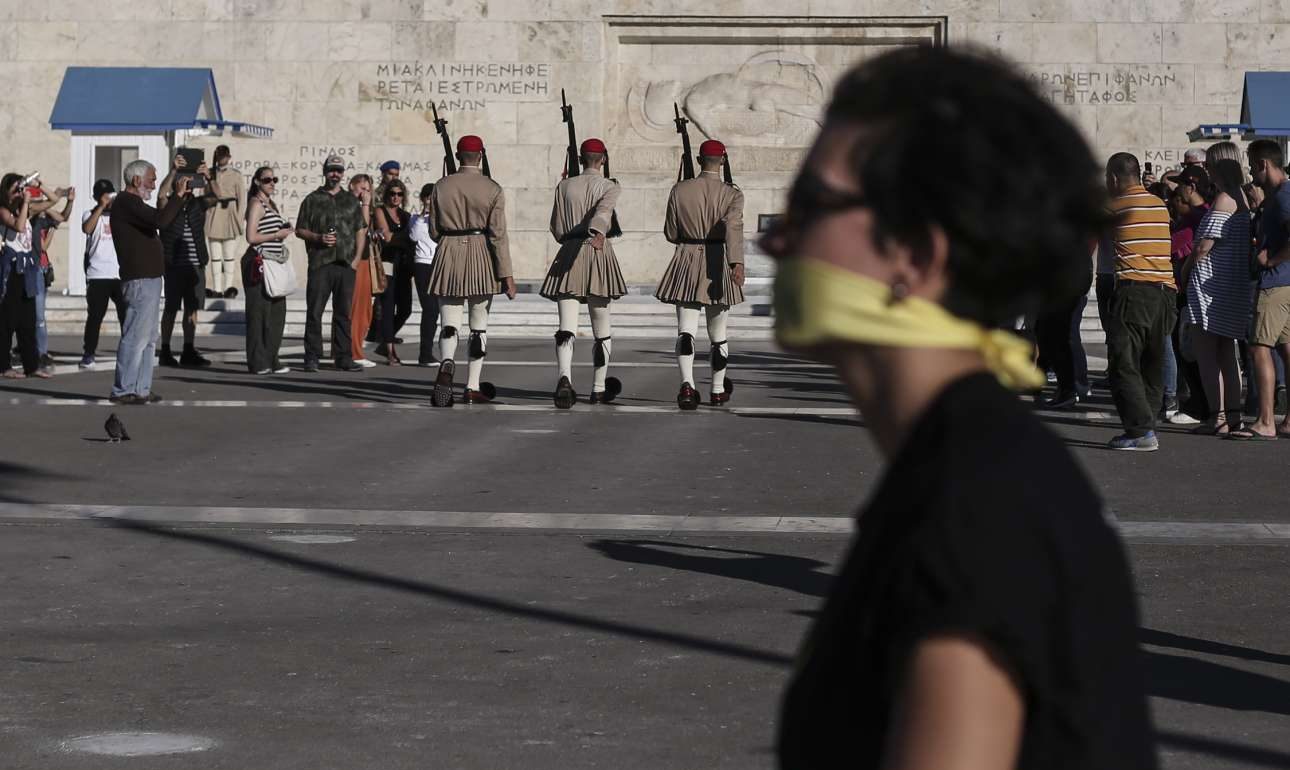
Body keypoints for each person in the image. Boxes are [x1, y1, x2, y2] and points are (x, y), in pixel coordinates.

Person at [764, 46, 1156, 770]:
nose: (775, 238)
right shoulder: (961, 466)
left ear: (913, 255)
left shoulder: (972, 510)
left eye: (809, 206)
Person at [655, 139, 746, 410]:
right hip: (717, 260)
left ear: (698, 161)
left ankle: (687, 386)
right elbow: (734, 227)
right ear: (723, 161)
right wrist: (736, 262)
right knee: (719, 335)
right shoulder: (733, 194)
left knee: (686, 331)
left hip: (686, 258)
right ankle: (717, 390)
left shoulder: (680, 189)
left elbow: (671, 232)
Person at [427, 135, 517, 406]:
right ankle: (472, 386)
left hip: (449, 252)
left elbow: (433, 231)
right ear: (481, 155)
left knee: (449, 323)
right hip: (480, 252)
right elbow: (498, 235)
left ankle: (446, 363)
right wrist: (507, 276)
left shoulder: (441, 186)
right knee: (478, 326)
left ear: (457, 156)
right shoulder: (493, 188)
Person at [541, 137, 628, 407]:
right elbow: (604, 211)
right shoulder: (609, 185)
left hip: (568, 251)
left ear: (580, 159)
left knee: (566, 326)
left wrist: (570, 240)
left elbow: (556, 227)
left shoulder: (564, 185)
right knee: (601, 327)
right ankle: (598, 388)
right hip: (597, 252)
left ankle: (564, 378)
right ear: (603, 159)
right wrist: (598, 231)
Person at [1104, 152, 1176, 451]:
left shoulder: (1115, 204)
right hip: (1166, 292)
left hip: (1135, 292)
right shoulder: (1159, 204)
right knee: (1152, 360)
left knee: (1122, 361)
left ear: (1114, 179)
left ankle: (1140, 431)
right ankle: (1147, 423)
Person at [108, 160, 187, 404]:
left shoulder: (133, 204)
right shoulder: (126, 202)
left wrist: (177, 198)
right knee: (135, 336)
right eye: (151, 179)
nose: (153, 185)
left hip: (150, 278)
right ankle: (123, 389)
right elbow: (160, 220)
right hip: (139, 279)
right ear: (136, 180)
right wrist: (177, 196)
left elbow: (157, 219)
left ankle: (141, 387)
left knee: (149, 337)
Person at [1183, 159, 1251, 436]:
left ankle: (1218, 416)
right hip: (1233, 284)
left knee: (1207, 354)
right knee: (1226, 353)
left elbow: (1202, 247)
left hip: (1211, 286)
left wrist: (1185, 271)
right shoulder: (1243, 200)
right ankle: (1233, 415)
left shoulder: (1224, 199)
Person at [1232, 139, 1290, 440]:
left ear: (1264, 164)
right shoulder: (1276, 197)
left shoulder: (1283, 196)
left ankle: (1266, 420)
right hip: (1284, 282)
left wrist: (1271, 259)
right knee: (1285, 347)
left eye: (1253, 166)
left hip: (1277, 282)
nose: (1252, 173)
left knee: (1258, 347)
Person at [295, 154, 366, 373]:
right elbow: (299, 229)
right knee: (315, 311)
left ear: (343, 174)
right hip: (321, 263)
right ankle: (312, 356)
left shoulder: (351, 201)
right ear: (324, 171)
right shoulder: (312, 199)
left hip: (345, 264)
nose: (335, 174)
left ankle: (343, 357)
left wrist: (356, 260)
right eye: (331, 169)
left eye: (338, 170)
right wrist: (317, 238)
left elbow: (360, 230)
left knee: (343, 313)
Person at [157, 154, 220, 368]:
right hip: (173, 264)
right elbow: (161, 194)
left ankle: (188, 349)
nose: (189, 186)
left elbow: (217, 197)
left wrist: (208, 177)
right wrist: (173, 171)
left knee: (192, 309)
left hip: (195, 264)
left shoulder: (197, 204)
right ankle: (165, 349)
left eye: (191, 182)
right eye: (185, 182)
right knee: (171, 308)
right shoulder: (170, 203)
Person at [243, 166, 292, 375]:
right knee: (258, 314)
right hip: (258, 263)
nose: (272, 183)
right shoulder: (256, 204)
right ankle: (258, 361)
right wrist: (276, 235)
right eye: (267, 180)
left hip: (274, 262)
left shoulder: (270, 204)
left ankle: (272, 358)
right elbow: (251, 237)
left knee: (276, 313)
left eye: (274, 179)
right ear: (257, 182)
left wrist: (282, 234)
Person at [0, 174, 46, 379]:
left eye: (21, 189)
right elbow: (18, 227)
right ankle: (4, 366)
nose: (20, 193)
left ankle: (32, 365)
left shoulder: (25, 209)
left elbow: (52, 202)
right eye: (16, 190)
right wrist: (25, 201)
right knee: (8, 320)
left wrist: (39, 187)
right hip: (10, 268)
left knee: (28, 320)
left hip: (26, 268)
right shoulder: (3, 211)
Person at [80, 179, 125, 370]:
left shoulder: (120, 215)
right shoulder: (90, 214)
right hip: (98, 274)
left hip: (120, 274)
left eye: (110, 195)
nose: (108, 199)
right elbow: (87, 229)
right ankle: (89, 354)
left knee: (127, 315)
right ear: (97, 197)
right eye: (104, 196)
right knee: (95, 316)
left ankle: (128, 352)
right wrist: (101, 207)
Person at [372, 179, 414, 366]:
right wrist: (407, 238)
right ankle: (389, 350)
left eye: (399, 194)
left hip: (404, 265)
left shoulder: (406, 216)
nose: (396, 197)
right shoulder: (380, 211)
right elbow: (387, 238)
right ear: (386, 194)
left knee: (405, 308)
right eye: (392, 193)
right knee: (388, 307)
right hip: (387, 263)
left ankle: (384, 340)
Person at [345, 173, 378, 368]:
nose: (365, 193)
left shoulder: (358, 206)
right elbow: (362, 229)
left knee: (365, 309)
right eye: (362, 188)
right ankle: (354, 352)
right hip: (355, 261)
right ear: (352, 186)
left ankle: (352, 349)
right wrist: (366, 205)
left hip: (365, 260)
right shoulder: (350, 205)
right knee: (357, 309)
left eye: (368, 190)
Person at [205, 144, 244, 299]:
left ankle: (228, 288)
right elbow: (205, 195)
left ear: (229, 157)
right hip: (214, 213)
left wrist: (240, 220)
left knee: (228, 255)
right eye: (220, 156)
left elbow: (242, 199)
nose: (222, 159)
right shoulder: (210, 173)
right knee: (215, 256)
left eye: (224, 156)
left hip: (229, 214)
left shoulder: (236, 175)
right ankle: (217, 289)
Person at [409, 182, 440, 366]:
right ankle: (425, 353)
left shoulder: (441, 218)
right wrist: (424, 215)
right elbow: (414, 236)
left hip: (438, 265)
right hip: (422, 265)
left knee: (435, 311)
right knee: (430, 309)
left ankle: (427, 352)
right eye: (427, 197)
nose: (429, 200)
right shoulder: (416, 219)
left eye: (432, 197)